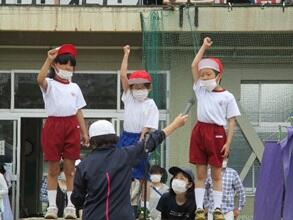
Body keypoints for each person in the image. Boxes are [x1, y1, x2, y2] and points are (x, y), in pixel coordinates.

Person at [71, 114, 188, 220]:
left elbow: (77, 199)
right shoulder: (125, 155)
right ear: (114, 137)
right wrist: (175, 125)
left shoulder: (83, 165)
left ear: (93, 141)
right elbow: (152, 140)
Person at [190, 37, 241, 220]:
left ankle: (218, 209)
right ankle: (199, 209)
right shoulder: (200, 89)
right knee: (201, 174)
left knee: (217, 173)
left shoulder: (228, 96)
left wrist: (228, 142)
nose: (204, 77)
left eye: (208, 74)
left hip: (218, 133)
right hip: (199, 131)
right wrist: (204, 46)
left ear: (218, 75)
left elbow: (232, 121)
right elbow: (194, 65)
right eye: (202, 74)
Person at [37, 44, 89, 219]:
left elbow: (78, 111)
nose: (67, 68)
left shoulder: (75, 87)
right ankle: (52, 207)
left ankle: (71, 207)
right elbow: (39, 79)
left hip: (71, 125)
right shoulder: (49, 84)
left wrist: (84, 132)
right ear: (55, 66)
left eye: (70, 65)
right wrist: (49, 59)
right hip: (53, 125)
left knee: (70, 170)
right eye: (63, 64)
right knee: (52, 168)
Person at [119, 45, 159, 214]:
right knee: (123, 173)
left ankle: (145, 207)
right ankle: (123, 203)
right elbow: (123, 75)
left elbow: (149, 125)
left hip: (141, 138)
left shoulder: (150, 103)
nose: (139, 90)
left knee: (142, 175)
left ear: (148, 88)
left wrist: (143, 137)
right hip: (125, 137)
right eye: (136, 87)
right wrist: (126, 54)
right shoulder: (128, 98)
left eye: (143, 87)